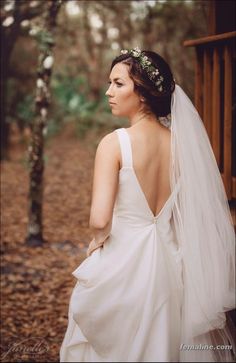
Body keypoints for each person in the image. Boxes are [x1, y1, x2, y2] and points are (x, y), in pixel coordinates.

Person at [60, 47, 235, 362]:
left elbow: (100, 220)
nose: (108, 92)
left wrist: (96, 243)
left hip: (123, 259)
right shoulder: (182, 145)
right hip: (171, 259)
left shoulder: (114, 144)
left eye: (118, 84)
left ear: (142, 93)